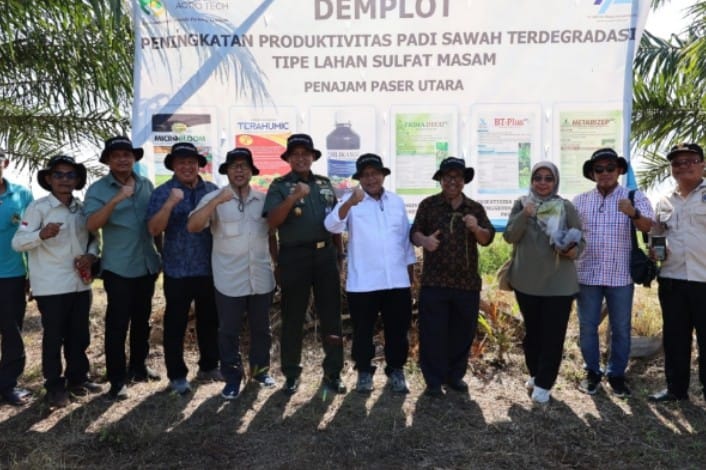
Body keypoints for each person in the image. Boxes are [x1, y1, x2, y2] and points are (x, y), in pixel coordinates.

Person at [12, 155, 102, 407]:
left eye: (70, 175)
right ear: (49, 179)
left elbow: (94, 238)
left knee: (79, 335)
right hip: (51, 286)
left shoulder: (82, 208)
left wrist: (91, 256)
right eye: (58, 175)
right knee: (54, 338)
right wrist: (41, 234)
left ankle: (78, 380)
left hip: (80, 284)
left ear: (77, 180)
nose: (64, 180)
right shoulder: (38, 208)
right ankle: (54, 386)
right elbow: (18, 242)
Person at [188, 148, 277, 400]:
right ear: (226, 171)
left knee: (262, 329)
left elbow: (271, 234)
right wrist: (216, 202)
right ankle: (232, 378)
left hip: (261, 276)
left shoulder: (263, 200)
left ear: (251, 171)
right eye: (234, 166)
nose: (239, 170)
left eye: (244, 166)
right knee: (228, 331)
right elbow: (193, 226)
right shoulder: (214, 198)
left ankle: (260, 371)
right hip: (228, 279)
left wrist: (277, 263)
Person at [324, 153, 416, 394]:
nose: (371, 178)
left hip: (396, 280)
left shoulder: (396, 201)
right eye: (365, 175)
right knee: (363, 332)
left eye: (375, 173)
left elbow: (405, 240)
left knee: (397, 330)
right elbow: (331, 225)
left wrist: (410, 273)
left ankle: (396, 370)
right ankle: (364, 372)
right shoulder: (351, 201)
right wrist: (349, 203)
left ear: (383, 175)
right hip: (363, 282)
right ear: (360, 179)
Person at [263, 133, 346, 395]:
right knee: (293, 317)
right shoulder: (279, 185)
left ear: (312, 157)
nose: (301, 158)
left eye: (305, 154)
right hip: (294, 257)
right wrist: (293, 197)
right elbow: (272, 222)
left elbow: (335, 222)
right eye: (295, 154)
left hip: (325, 256)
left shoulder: (324, 184)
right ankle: (291, 373)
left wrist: (340, 255)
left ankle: (333, 372)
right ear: (288, 158)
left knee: (331, 316)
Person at [572, 148, 653, 398]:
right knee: (587, 327)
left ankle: (616, 375)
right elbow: (570, 234)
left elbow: (650, 227)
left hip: (621, 275)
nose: (605, 172)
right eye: (599, 169)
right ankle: (592, 372)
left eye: (610, 168)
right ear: (592, 173)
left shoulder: (634, 196)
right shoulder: (580, 201)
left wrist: (633, 213)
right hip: (587, 274)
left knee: (620, 328)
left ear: (619, 170)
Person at [84, 136, 161, 400]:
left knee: (142, 321)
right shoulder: (98, 189)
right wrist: (116, 199)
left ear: (134, 158)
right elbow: (91, 225)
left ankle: (138, 367)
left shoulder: (146, 184)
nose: (122, 159)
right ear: (108, 160)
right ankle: (117, 380)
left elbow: (155, 223)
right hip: (118, 268)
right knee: (117, 325)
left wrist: (160, 255)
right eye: (116, 155)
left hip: (147, 264)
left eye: (127, 154)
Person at [411, 157, 495, 397]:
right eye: (447, 177)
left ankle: (455, 376)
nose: (452, 181)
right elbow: (414, 232)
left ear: (464, 180)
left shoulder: (475, 208)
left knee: (462, 333)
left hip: (466, 283)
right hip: (434, 282)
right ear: (440, 180)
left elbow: (487, 239)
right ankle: (433, 380)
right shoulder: (428, 205)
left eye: (457, 177)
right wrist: (425, 241)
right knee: (432, 333)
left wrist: (475, 228)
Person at [503, 162, 584, 404]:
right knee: (533, 334)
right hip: (526, 282)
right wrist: (525, 214)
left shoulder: (565, 206)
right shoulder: (522, 204)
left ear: (555, 182)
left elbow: (580, 239)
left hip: (559, 283)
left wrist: (573, 250)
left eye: (549, 178)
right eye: (538, 177)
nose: (543, 182)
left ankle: (545, 383)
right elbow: (510, 236)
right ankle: (535, 373)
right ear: (531, 180)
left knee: (553, 335)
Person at [146, 142, 220, 396]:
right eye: (181, 163)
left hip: (209, 267)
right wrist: (169, 204)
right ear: (173, 166)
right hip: (177, 269)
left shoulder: (212, 191)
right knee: (175, 324)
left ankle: (209, 366)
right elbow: (154, 229)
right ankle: (177, 375)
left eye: (191, 162)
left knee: (209, 321)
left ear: (199, 165)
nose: (187, 167)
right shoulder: (162, 192)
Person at [648, 143, 706, 403]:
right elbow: (657, 233)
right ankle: (676, 389)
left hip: (704, 279)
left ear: (702, 164)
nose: (683, 167)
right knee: (675, 338)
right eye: (677, 163)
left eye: (690, 161)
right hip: (672, 280)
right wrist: (655, 250)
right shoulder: (664, 200)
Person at [0, 150, 33, 406]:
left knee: (12, 333)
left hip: (13, 276)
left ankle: (7, 385)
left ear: (5, 163)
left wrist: (32, 274)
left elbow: (31, 236)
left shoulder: (22, 195)